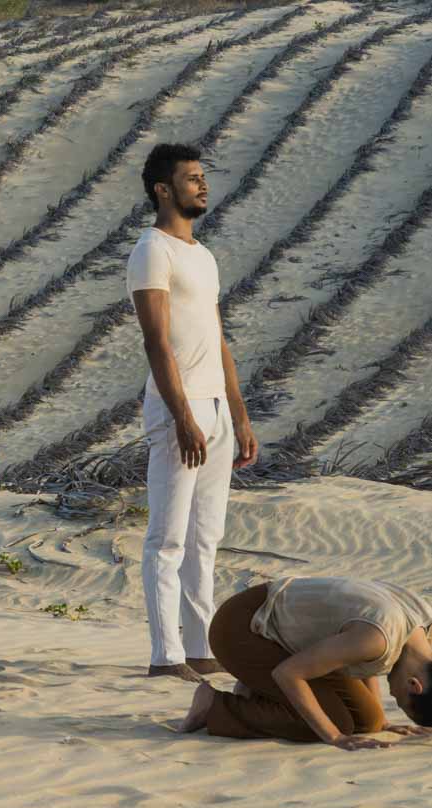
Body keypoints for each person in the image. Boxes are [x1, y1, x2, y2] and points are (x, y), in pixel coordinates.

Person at [128, 143, 258, 683]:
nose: (202, 185)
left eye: (203, 177)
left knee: (206, 537)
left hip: (216, 408)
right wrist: (181, 415)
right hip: (176, 407)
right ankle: (166, 656)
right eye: (191, 178)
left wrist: (239, 414)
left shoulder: (202, 256)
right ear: (163, 189)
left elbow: (217, 338)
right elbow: (156, 341)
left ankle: (202, 649)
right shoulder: (151, 250)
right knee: (168, 539)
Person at [179, 577, 432, 748]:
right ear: (414, 684)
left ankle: (256, 689)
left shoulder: (423, 629)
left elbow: (363, 655)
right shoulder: (376, 638)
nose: (392, 694)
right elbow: (288, 674)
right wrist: (334, 737)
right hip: (242, 626)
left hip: (291, 640)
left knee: (369, 722)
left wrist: (382, 722)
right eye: (400, 700)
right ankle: (214, 704)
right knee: (332, 723)